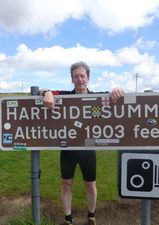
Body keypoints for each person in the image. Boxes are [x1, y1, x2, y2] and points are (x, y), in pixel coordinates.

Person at [41, 61, 124, 225]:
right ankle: (68, 218)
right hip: (68, 148)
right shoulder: (64, 95)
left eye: (82, 76)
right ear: (71, 79)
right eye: (76, 76)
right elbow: (42, 91)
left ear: (88, 78)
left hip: (88, 148)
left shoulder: (99, 98)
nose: (79, 79)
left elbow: (115, 95)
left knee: (90, 185)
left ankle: (91, 215)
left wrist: (117, 90)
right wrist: (47, 92)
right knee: (66, 184)